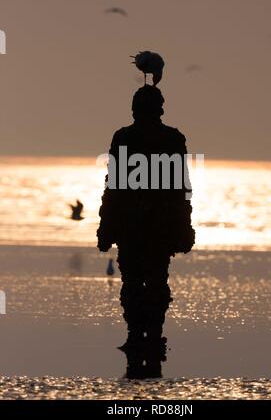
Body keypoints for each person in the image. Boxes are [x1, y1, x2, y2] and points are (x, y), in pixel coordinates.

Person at [97, 84, 194, 352]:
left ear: (135, 109)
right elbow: (181, 188)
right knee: (155, 281)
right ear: (160, 109)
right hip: (158, 226)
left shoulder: (124, 137)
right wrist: (184, 227)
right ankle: (151, 333)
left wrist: (106, 228)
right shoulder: (172, 139)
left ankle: (138, 333)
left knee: (135, 282)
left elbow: (113, 187)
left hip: (134, 225)